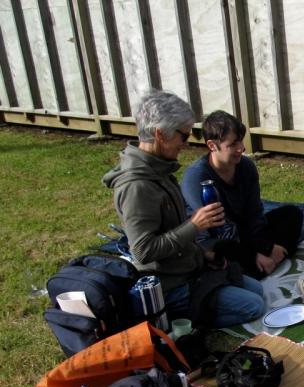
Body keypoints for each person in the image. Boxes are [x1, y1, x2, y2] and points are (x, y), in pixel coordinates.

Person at [103, 90, 266, 328]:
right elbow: (143, 251)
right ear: (160, 134)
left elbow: (171, 231)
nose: (186, 142)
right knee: (254, 305)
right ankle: (177, 321)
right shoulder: (137, 186)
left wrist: (202, 254)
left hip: (189, 268)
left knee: (257, 289)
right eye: (183, 135)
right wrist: (195, 226)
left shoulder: (159, 171)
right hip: (169, 285)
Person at [181, 110, 303, 279]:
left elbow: (255, 212)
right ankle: (260, 264)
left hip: (245, 232)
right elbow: (221, 229)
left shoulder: (246, 166)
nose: (241, 148)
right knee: (224, 249)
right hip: (215, 240)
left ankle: (263, 264)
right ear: (212, 145)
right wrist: (255, 253)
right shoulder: (197, 178)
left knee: (291, 214)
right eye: (233, 144)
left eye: (241, 141)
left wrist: (264, 246)